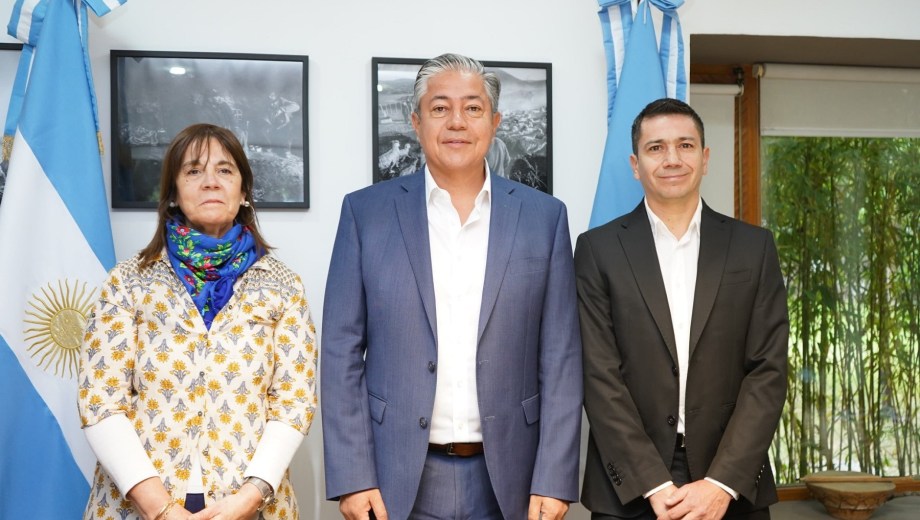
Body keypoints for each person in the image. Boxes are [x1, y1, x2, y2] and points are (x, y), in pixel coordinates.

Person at [321, 53, 582, 520]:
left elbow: (560, 357)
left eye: (473, 108)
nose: (457, 122)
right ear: (416, 121)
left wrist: (555, 477)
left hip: (512, 478)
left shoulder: (545, 218)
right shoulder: (366, 214)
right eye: (440, 108)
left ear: (495, 121)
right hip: (395, 476)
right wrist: (353, 476)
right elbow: (341, 351)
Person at [77, 123, 317, 520]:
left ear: (244, 193)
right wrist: (160, 508)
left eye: (225, 171)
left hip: (249, 505)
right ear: (172, 192)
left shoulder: (283, 287)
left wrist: (249, 498)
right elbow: (100, 401)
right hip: (137, 506)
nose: (210, 182)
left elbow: (294, 403)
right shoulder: (128, 282)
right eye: (193, 171)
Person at [576, 98, 789, 520]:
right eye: (656, 148)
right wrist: (653, 485)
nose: (672, 159)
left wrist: (720, 483)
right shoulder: (597, 250)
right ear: (635, 165)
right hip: (630, 490)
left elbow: (768, 370)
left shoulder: (754, 247)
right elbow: (599, 375)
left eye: (685, 145)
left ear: (705, 158)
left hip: (730, 482)